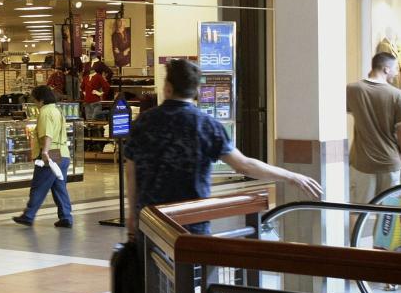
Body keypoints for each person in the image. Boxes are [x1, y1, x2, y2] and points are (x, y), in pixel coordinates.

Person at [125, 59, 321, 237]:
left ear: (167, 88)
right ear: (196, 91)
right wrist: (291, 176)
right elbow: (244, 165)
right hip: (192, 226)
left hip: (150, 223)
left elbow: (131, 172)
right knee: (193, 274)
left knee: (150, 273)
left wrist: (132, 213)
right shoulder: (206, 125)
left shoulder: (143, 122)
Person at [346, 52, 401, 204]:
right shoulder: (397, 95)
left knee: (358, 209)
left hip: (361, 161)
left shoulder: (353, 89)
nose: (396, 73)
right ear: (386, 69)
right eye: (395, 69)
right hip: (390, 162)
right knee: (388, 216)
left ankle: (356, 230)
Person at [12, 85, 74, 228]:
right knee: (59, 187)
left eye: (34, 99)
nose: (34, 102)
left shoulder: (45, 112)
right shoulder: (57, 110)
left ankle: (28, 215)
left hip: (52, 153)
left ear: (40, 99)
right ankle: (66, 217)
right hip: (63, 152)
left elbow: (47, 134)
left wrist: (45, 152)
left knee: (38, 186)